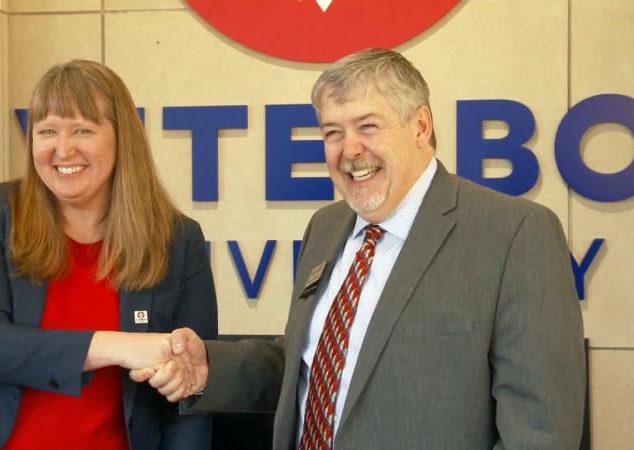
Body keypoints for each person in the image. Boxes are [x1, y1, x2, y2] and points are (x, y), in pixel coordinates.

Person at [133, 48, 586, 449]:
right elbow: (311, 365)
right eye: (332, 132)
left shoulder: (515, 233)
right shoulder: (326, 227)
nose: (349, 149)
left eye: (367, 126)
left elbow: (541, 432)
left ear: (420, 126)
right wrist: (210, 366)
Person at [0, 60, 217, 450]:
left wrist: (174, 372)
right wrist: (118, 346)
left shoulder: (178, 240)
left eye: (83, 130)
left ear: (121, 139)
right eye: (47, 131)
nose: (63, 150)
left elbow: (192, 393)